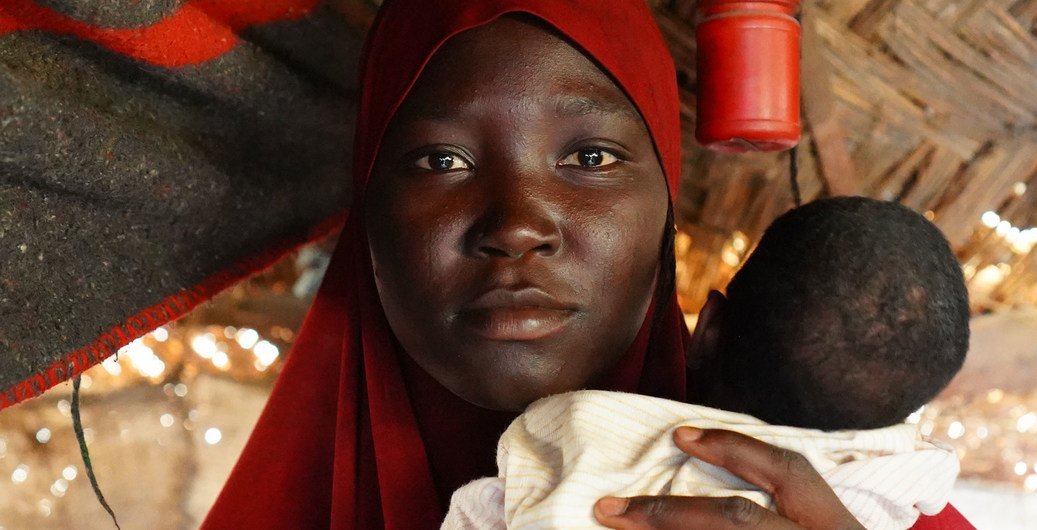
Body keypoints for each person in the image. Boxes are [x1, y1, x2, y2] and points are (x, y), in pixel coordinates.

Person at [202, 1, 976, 528]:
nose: (517, 227)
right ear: (369, 210)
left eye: (591, 156)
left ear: (665, 206)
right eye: (442, 159)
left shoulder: (869, 515)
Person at [442, 197, 969, 530]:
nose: (519, 233)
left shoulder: (577, 443)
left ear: (708, 327)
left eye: (593, 157)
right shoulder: (911, 495)